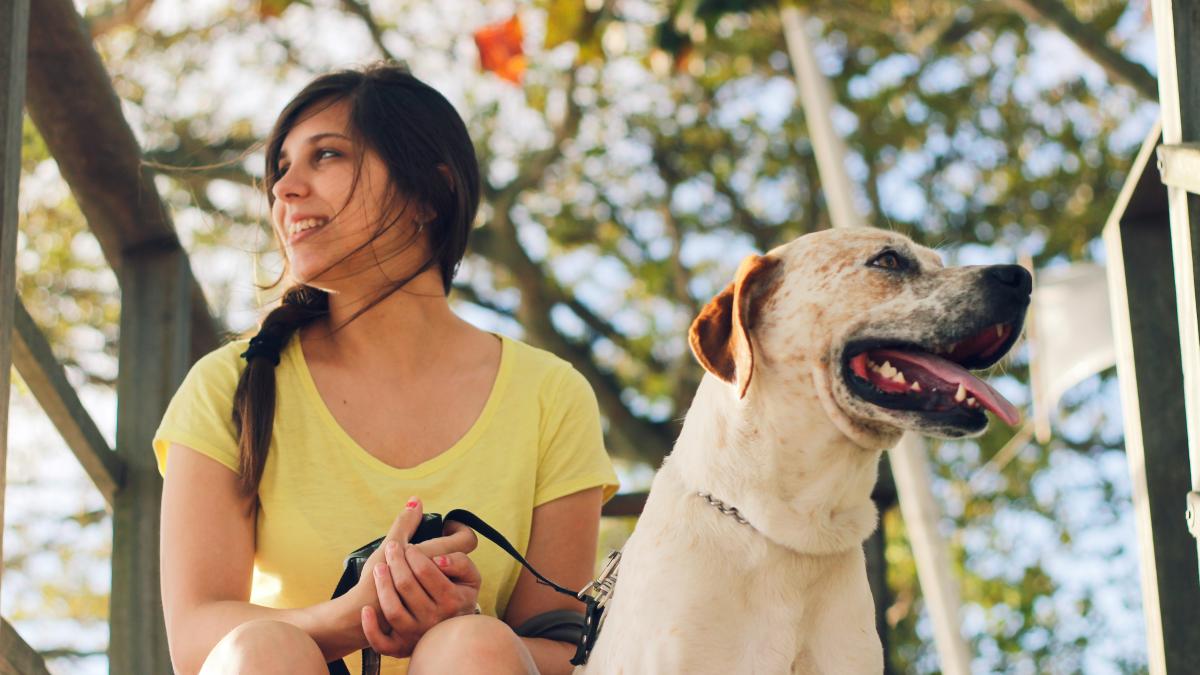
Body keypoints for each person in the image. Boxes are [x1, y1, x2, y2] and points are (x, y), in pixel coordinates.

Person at [153, 63, 619, 675]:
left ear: (430, 191)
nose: (285, 190)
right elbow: (194, 639)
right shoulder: (227, 386)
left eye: (326, 156)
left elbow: (566, 653)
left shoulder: (551, 395)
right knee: (263, 649)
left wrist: (452, 623)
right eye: (281, 169)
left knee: (473, 648)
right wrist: (352, 616)